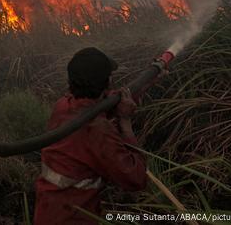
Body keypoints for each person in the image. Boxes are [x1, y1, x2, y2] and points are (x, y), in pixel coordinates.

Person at [33, 47, 148, 224]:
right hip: (73, 218)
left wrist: (147, 82)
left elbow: (102, 103)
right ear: (108, 81)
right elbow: (135, 179)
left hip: (48, 213)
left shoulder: (63, 105)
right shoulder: (97, 130)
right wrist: (126, 123)